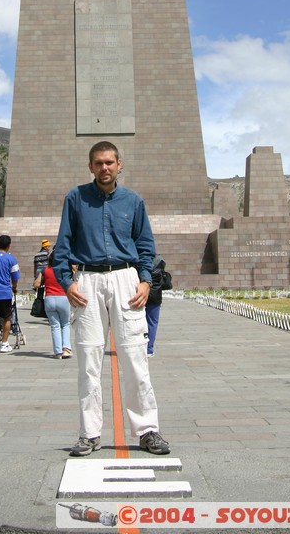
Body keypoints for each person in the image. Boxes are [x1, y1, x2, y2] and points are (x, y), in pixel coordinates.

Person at [53, 140, 170, 457]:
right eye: (98, 163)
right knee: (89, 361)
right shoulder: (75, 198)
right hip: (88, 281)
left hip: (125, 280)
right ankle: (90, 433)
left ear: (120, 164)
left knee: (135, 357)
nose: (104, 168)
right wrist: (66, 282)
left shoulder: (133, 201)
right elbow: (62, 245)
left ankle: (147, 430)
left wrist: (145, 280)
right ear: (90, 166)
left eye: (109, 162)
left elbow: (145, 246)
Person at [33, 249, 72, 359]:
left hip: (49, 299)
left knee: (55, 326)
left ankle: (58, 352)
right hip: (63, 298)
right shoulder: (64, 270)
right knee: (65, 324)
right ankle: (66, 349)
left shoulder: (46, 270)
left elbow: (36, 284)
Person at [145, 254, 167, 358]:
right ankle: (149, 349)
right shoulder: (160, 260)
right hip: (155, 295)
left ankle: (138, 347)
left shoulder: (138, 259)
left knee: (137, 321)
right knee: (152, 322)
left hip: (141, 294)